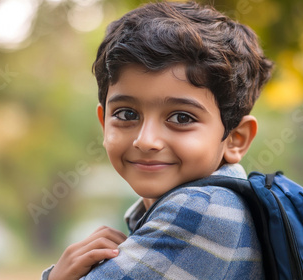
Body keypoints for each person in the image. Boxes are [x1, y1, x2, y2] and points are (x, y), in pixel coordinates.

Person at [42, 1, 274, 279]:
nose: (146, 140)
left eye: (181, 118)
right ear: (104, 123)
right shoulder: (171, 208)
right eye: (127, 113)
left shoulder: (203, 210)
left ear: (236, 138)